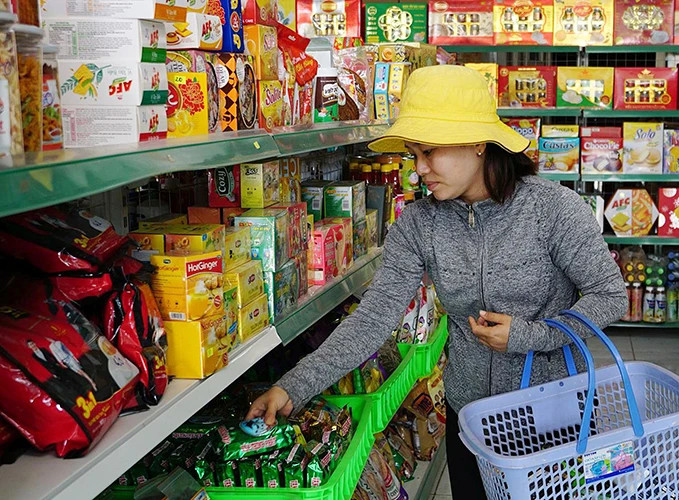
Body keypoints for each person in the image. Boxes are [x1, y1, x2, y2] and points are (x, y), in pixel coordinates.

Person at [246, 65, 627, 498]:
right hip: (472, 420)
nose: (418, 169)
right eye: (414, 153)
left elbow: (610, 296)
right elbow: (372, 318)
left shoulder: (552, 208)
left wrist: (528, 336)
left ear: (479, 143)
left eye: (431, 152)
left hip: (552, 413)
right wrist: (291, 387)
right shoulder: (420, 223)